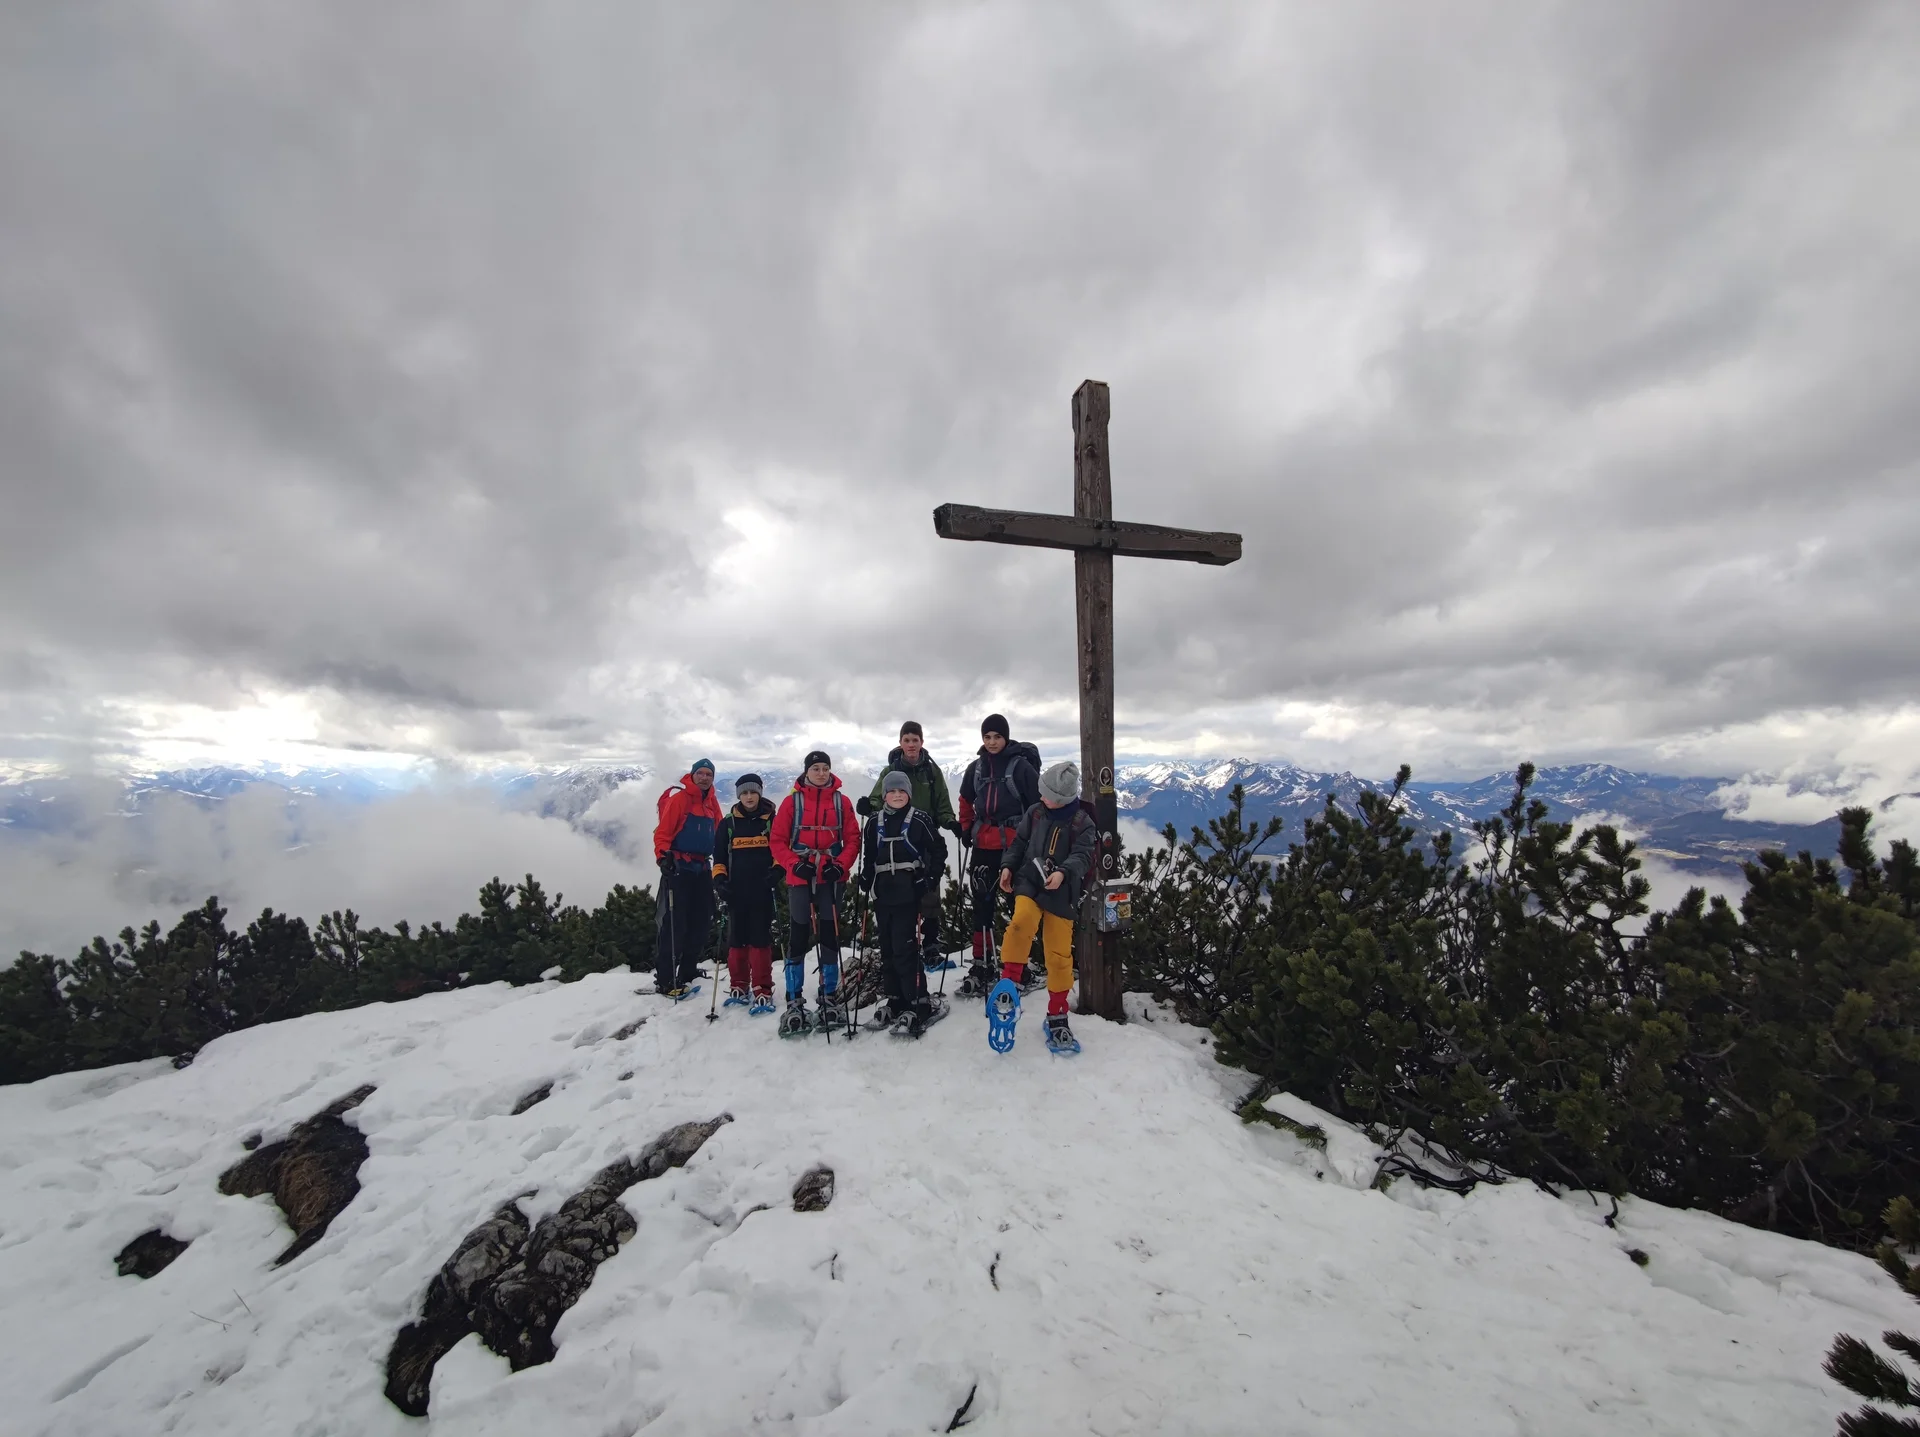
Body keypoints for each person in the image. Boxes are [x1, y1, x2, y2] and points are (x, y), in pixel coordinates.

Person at [998, 758, 1097, 1051]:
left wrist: (1063, 873)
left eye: (1047, 794)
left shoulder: (1082, 822)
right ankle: (1010, 982)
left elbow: (1083, 855)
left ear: (1062, 798)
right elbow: (1018, 843)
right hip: (1030, 879)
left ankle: (1057, 1013)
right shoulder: (1036, 812)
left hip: (1061, 890)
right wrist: (1007, 867)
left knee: (1059, 954)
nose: (1041, 797)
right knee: (1021, 922)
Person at [770, 750, 861, 1034]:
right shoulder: (791, 802)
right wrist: (794, 865)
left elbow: (853, 838)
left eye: (825, 768)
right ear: (807, 771)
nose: (821, 773)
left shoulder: (841, 801)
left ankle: (828, 994)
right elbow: (777, 840)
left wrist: (842, 866)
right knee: (798, 931)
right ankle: (794, 997)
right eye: (816, 768)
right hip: (801, 876)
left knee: (829, 933)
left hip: (831, 876)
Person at [956, 713, 1042, 996]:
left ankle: (1017, 964)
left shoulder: (1021, 768)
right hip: (984, 844)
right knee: (982, 903)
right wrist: (967, 827)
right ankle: (983, 961)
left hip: (1015, 846)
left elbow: (1037, 807)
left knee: (1017, 907)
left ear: (1006, 737)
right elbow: (966, 800)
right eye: (987, 737)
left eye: (997, 737)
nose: (992, 742)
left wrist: (1033, 841)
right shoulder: (976, 768)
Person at [860, 770, 949, 1035]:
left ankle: (918, 1000)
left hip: (908, 892)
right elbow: (870, 854)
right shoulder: (874, 821)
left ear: (908, 794)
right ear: (884, 794)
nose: (897, 795)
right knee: (887, 947)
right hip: (883, 892)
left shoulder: (919, 820)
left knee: (904, 946)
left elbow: (938, 850)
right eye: (892, 791)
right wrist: (865, 875)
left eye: (902, 791)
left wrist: (930, 878)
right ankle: (896, 998)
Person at [867, 720, 961, 973]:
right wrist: (870, 807)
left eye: (915, 740)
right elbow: (878, 798)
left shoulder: (932, 771)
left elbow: (942, 802)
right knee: (901, 895)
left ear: (921, 742)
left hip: (926, 837)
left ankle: (930, 944)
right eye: (906, 740)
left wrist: (950, 822)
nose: (911, 744)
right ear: (900, 743)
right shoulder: (891, 771)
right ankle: (906, 945)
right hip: (895, 839)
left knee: (929, 892)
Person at [712, 773, 783, 1015]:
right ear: (739, 795)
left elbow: (781, 851)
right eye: (744, 792)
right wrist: (720, 881)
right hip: (736, 892)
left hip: (762, 890)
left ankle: (762, 987)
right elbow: (719, 857)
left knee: (760, 940)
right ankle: (738, 984)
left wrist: (776, 873)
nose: (749, 796)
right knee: (737, 940)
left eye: (753, 792)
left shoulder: (772, 821)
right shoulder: (728, 824)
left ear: (760, 793)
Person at [652, 758, 723, 998]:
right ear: (692, 775)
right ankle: (665, 979)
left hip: (702, 868)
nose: (704, 778)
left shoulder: (712, 802)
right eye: (700, 773)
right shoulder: (680, 800)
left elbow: (720, 832)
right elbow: (663, 833)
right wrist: (663, 858)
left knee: (701, 922)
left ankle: (688, 971)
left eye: (709, 775)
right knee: (676, 924)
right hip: (679, 867)